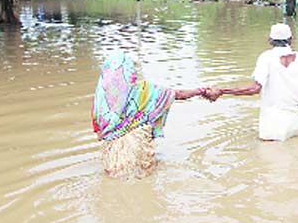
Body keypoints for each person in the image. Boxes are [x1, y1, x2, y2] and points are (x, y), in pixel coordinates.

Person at [92, 51, 215, 179]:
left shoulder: (100, 100)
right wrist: (201, 91)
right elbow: (177, 94)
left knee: (116, 180)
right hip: (136, 148)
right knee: (142, 179)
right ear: (129, 72)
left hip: (113, 154)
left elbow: (99, 134)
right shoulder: (144, 90)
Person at [215, 23, 298, 142]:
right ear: (291, 40)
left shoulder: (267, 57)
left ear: (270, 40)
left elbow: (254, 89)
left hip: (273, 124)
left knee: (271, 155)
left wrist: (223, 90)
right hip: (296, 123)